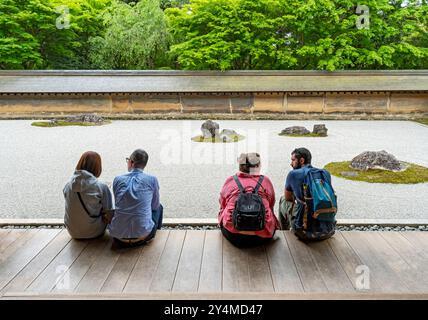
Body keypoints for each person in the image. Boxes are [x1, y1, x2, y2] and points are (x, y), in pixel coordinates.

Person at [218, 153, 279, 248]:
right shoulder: (265, 181)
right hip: (262, 236)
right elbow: (271, 204)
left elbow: (222, 203)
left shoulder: (231, 180)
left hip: (233, 235)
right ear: (257, 166)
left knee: (223, 211)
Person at [108, 149, 163, 247]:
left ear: (131, 162)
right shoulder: (152, 179)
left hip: (118, 237)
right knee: (159, 207)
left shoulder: (118, 179)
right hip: (143, 237)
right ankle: (156, 233)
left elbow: (117, 203)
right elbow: (155, 206)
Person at [279, 147, 336, 241]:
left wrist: (298, 196)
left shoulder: (293, 174)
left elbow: (288, 198)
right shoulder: (325, 173)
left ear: (301, 160)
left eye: (293, 160)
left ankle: (283, 231)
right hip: (329, 230)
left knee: (283, 200)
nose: (291, 163)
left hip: (305, 232)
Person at [63, 151, 114, 239]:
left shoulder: (68, 185)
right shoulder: (101, 186)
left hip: (72, 232)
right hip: (94, 232)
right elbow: (109, 212)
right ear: (97, 167)